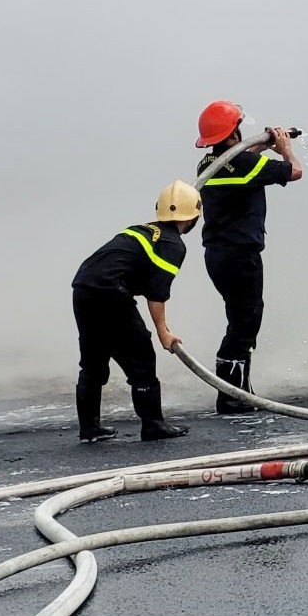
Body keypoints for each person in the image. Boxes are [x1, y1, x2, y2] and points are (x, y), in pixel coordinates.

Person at [194, 100, 302, 414]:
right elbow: (294, 171)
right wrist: (283, 148)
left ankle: (240, 390)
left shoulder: (205, 165)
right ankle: (230, 395)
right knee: (245, 321)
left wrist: (260, 147)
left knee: (240, 319)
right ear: (233, 133)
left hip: (217, 255)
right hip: (240, 256)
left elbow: (237, 165)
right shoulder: (245, 166)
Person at [71, 181, 200, 442]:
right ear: (194, 216)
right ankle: (153, 425)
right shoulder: (173, 244)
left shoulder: (141, 229)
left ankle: (89, 428)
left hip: (83, 287)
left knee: (94, 360)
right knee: (141, 355)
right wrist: (163, 332)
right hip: (110, 293)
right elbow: (157, 293)